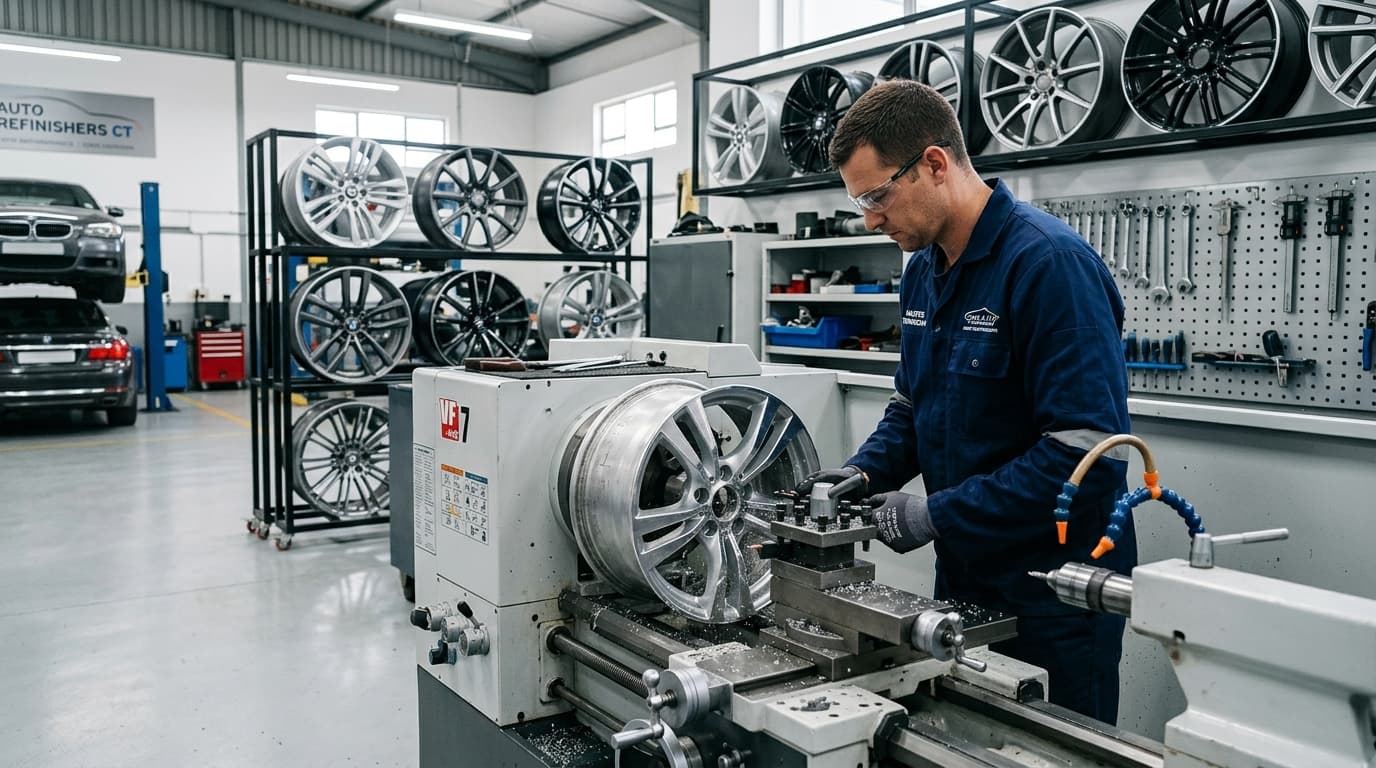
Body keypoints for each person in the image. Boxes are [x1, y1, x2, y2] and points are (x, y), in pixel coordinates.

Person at [796, 79, 1136, 724]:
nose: (869, 219)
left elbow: (1086, 456)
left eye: (875, 196)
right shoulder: (924, 269)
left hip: (1053, 593)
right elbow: (914, 407)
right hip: (965, 580)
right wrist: (862, 473)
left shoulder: (1049, 265)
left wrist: (935, 515)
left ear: (933, 164)